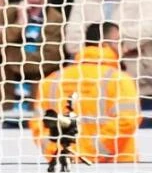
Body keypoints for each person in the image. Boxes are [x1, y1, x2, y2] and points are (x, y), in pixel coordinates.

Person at [30, 22, 141, 164]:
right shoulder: (120, 80)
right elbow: (127, 122)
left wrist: (62, 154)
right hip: (117, 168)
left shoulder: (52, 80)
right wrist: (88, 154)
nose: (124, 49)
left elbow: (39, 126)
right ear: (107, 44)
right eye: (119, 42)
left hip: (65, 168)